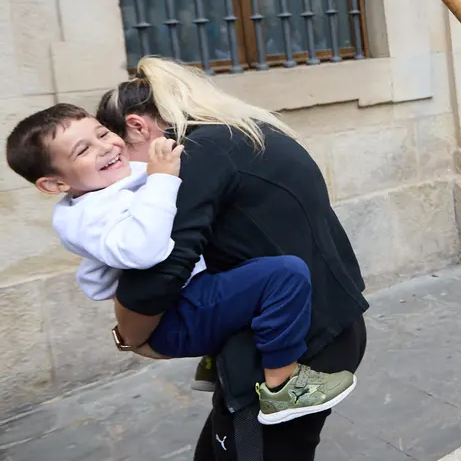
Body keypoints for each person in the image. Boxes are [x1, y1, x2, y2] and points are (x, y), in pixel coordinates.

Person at [4, 104, 357, 426]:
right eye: (83, 150)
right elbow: (145, 250)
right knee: (285, 274)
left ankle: (214, 356)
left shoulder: (112, 182)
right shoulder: (88, 214)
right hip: (176, 314)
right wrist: (162, 177)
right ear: (55, 183)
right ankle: (283, 384)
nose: (106, 146)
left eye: (102, 133)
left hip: (187, 301)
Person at [98, 57, 369, 460]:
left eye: (122, 151)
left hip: (289, 346)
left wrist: (131, 336)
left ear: (138, 126)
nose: (126, 169)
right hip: (325, 326)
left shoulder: (195, 152)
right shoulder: (244, 130)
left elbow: (162, 265)